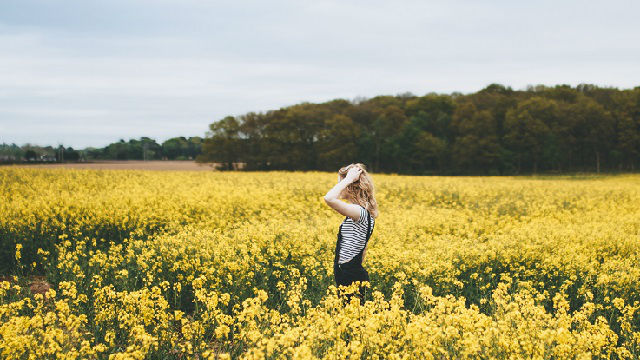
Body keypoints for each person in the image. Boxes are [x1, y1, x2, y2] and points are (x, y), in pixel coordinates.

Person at [323, 163, 379, 305]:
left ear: (351, 185)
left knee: (353, 321)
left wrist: (348, 179)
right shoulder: (361, 212)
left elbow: (329, 198)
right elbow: (363, 249)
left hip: (350, 275)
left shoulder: (358, 211)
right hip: (349, 273)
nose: (338, 185)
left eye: (340, 182)